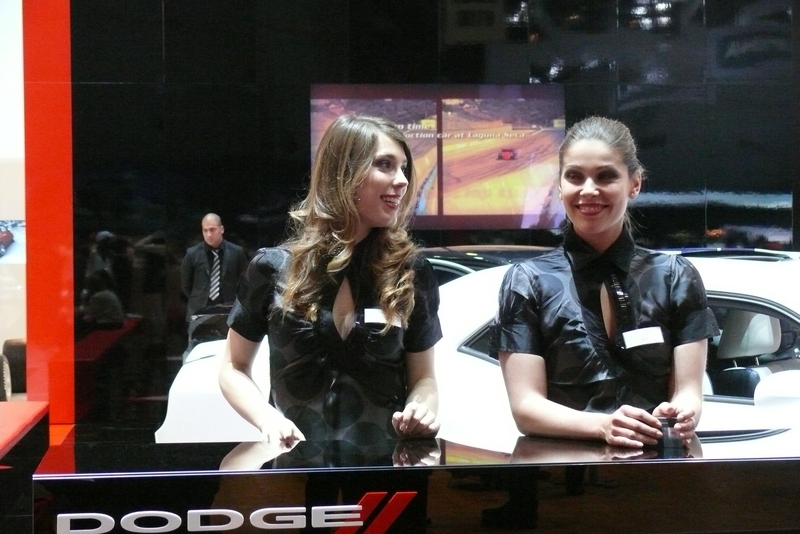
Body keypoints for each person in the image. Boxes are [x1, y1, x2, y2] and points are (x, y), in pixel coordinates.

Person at [485, 116, 720, 528]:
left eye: (606, 176)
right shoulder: (527, 281)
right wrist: (603, 426)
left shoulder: (675, 276)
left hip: (659, 487)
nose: (589, 190)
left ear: (634, 184)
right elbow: (526, 409)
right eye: (575, 176)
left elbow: (688, 392)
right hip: (557, 490)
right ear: (560, 185)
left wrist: (682, 413)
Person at [219, 114, 441, 532]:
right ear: (344, 172)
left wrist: (422, 411)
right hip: (295, 478)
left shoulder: (411, 272)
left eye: (404, 168)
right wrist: (267, 419)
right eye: (385, 165)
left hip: (389, 479)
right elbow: (233, 367)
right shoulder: (273, 269)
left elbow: (424, 378)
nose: (401, 181)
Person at [180, 213, 248, 323]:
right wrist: (198, 298)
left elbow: (244, 282)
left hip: (229, 310)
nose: (209, 234)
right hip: (198, 310)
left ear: (221, 229)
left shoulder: (237, 252)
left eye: (212, 230)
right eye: (205, 230)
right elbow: (185, 285)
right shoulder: (192, 253)